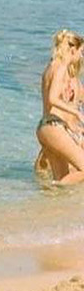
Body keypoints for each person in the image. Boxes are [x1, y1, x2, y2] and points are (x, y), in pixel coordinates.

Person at [34, 29, 84, 185]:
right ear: (73, 50)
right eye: (81, 52)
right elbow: (52, 98)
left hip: (47, 127)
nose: (81, 56)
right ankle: (54, 188)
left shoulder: (51, 67)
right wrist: (76, 113)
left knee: (62, 179)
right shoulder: (61, 66)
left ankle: (50, 197)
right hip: (54, 127)